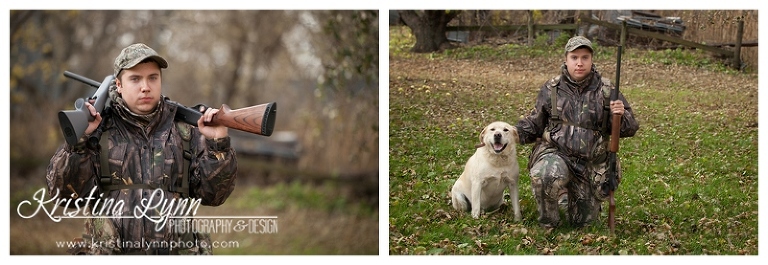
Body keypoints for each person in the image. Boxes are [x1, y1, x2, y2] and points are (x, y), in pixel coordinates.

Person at [45, 43, 238, 254]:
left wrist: (218, 144)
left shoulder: (185, 132)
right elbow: (65, 197)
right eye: (135, 79)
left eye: (152, 78)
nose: (145, 87)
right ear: (119, 85)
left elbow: (214, 196)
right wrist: (79, 143)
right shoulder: (97, 132)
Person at [514, 36, 639, 229]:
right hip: (556, 153)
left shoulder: (607, 90)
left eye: (584, 57)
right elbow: (534, 123)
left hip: (589, 164)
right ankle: (549, 223)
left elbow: (630, 128)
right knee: (545, 174)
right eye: (574, 57)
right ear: (566, 60)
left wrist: (621, 115)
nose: (579, 63)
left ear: (591, 60)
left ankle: (567, 197)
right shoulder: (551, 89)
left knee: (584, 224)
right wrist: (512, 133)